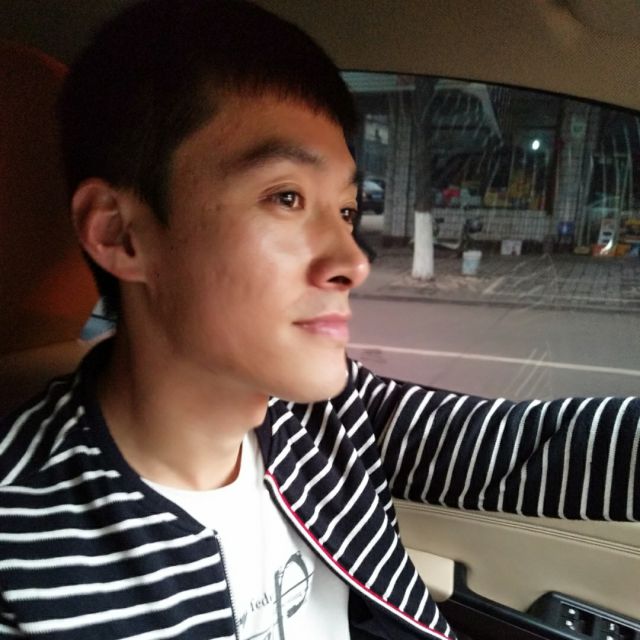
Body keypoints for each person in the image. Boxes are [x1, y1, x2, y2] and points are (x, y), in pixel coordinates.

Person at [0, 2, 638, 639]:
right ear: (121, 233)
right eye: (286, 198)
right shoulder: (26, 557)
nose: (353, 262)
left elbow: (526, 448)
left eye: (345, 211)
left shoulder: (319, 416)